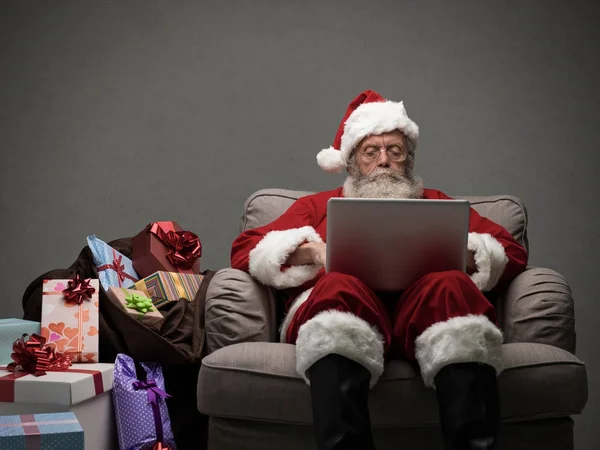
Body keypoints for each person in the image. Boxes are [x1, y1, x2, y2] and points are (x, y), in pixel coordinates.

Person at [230, 90, 528, 450]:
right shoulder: (316, 207)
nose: (384, 161)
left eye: (395, 151)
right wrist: (314, 251)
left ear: (409, 160)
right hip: (347, 307)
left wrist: (461, 254)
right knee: (338, 286)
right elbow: (246, 249)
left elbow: (510, 250)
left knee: (450, 285)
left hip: (426, 313)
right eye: (371, 152)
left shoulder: (436, 203)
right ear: (353, 161)